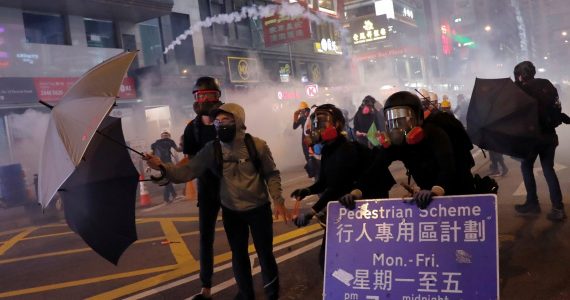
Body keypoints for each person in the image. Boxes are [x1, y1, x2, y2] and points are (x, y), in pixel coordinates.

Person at [146, 103, 290, 300]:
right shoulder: (211, 149)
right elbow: (187, 171)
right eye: (217, 121)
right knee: (238, 255)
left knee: (265, 255)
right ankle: (246, 295)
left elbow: (271, 174)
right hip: (231, 211)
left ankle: (272, 294)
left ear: (238, 121)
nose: (220, 125)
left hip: (259, 210)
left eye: (226, 120)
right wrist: (162, 166)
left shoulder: (257, 145)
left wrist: (278, 200)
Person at [291, 104, 395, 270]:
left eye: (322, 123)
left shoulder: (346, 150)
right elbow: (325, 182)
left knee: (365, 252)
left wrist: (312, 211)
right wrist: (308, 190)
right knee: (330, 258)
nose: (317, 129)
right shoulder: (327, 151)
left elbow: (336, 187)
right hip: (348, 203)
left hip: (367, 201)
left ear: (338, 124)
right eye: (316, 124)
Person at [344, 91, 476, 211]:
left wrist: (436, 191)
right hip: (428, 196)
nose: (397, 128)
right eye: (393, 121)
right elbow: (375, 169)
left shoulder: (434, 133)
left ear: (418, 118)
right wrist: (356, 192)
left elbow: (448, 167)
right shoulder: (397, 143)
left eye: (403, 120)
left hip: (460, 193)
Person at [182, 76, 223, 299]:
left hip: (231, 189)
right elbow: (189, 163)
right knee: (205, 239)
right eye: (201, 95)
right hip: (207, 191)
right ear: (195, 99)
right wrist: (164, 170)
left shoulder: (228, 120)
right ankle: (205, 288)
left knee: (237, 238)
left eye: (210, 95)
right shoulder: (192, 129)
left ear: (218, 97)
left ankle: (245, 287)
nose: (205, 100)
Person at [513, 61, 566, 221]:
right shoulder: (547, 85)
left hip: (532, 138)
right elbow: (557, 108)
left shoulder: (521, 89)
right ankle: (558, 208)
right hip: (550, 136)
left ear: (521, 75)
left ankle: (532, 203)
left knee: (526, 166)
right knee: (548, 169)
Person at [150, 131, 182, 203]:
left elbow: (152, 153)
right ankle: (170, 197)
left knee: (168, 179)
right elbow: (178, 149)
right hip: (167, 163)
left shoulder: (156, 143)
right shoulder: (170, 141)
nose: (165, 137)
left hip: (160, 164)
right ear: (169, 136)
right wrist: (183, 144)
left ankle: (170, 197)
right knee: (169, 179)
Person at [293, 101, 315, 178]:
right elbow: (294, 127)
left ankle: (313, 171)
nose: (301, 112)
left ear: (306, 109)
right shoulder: (304, 117)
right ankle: (313, 170)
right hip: (307, 138)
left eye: (302, 110)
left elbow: (294, 126)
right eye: (301, 110)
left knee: (310, 154)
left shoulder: (309, 116)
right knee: (309, 154)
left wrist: (296, 116)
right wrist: (295, 116)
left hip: (309, 138)